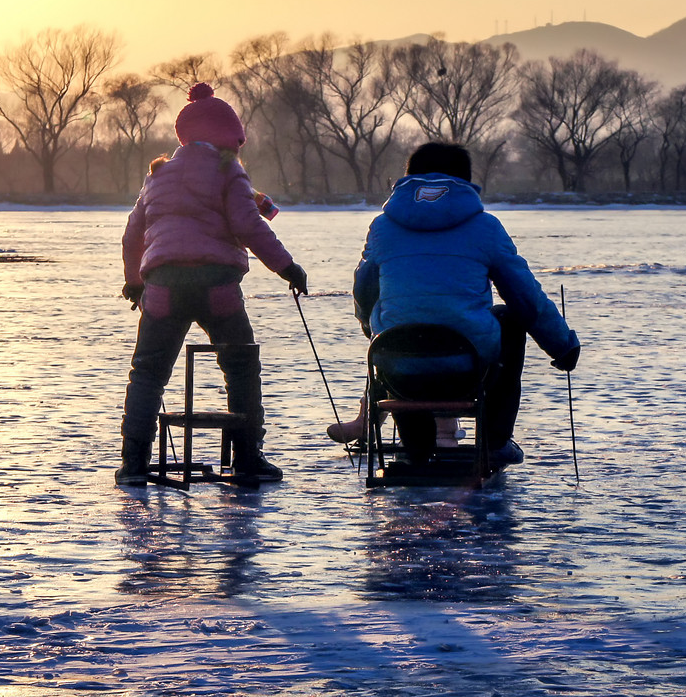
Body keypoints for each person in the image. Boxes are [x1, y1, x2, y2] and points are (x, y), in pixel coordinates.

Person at [117, 82, 307, 486]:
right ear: (231, 138)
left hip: (162, 286)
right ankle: (248, 457)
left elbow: (133, 234)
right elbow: (247, 225)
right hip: (216, 284)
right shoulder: (228, 170)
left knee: (148, 372)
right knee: (240, 364)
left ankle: (133, 464)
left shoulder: (158, 174)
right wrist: (287, 267)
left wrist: (136, 282)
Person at [345, 142, 579, 468]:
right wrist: (562, 346)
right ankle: (494, 441)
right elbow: (525, 298)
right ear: (466, 181)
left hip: (399, 368)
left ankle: (418, 447)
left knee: (399, 336)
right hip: (467, 369)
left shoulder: (382, 228)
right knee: (510, 319)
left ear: (409, 179)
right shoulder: (485, 228)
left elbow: (364, 291)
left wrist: (371, 327)